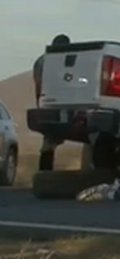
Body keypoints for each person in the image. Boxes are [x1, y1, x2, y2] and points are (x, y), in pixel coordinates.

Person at [32, 34, 72, 171]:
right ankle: (45, 171)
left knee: (49, 141)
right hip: (60, 103)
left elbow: (38, 83)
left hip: (47, 102)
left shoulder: (42, 60)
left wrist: (39, 102)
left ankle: (44, 172)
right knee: (49, 141)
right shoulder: (63, 60)